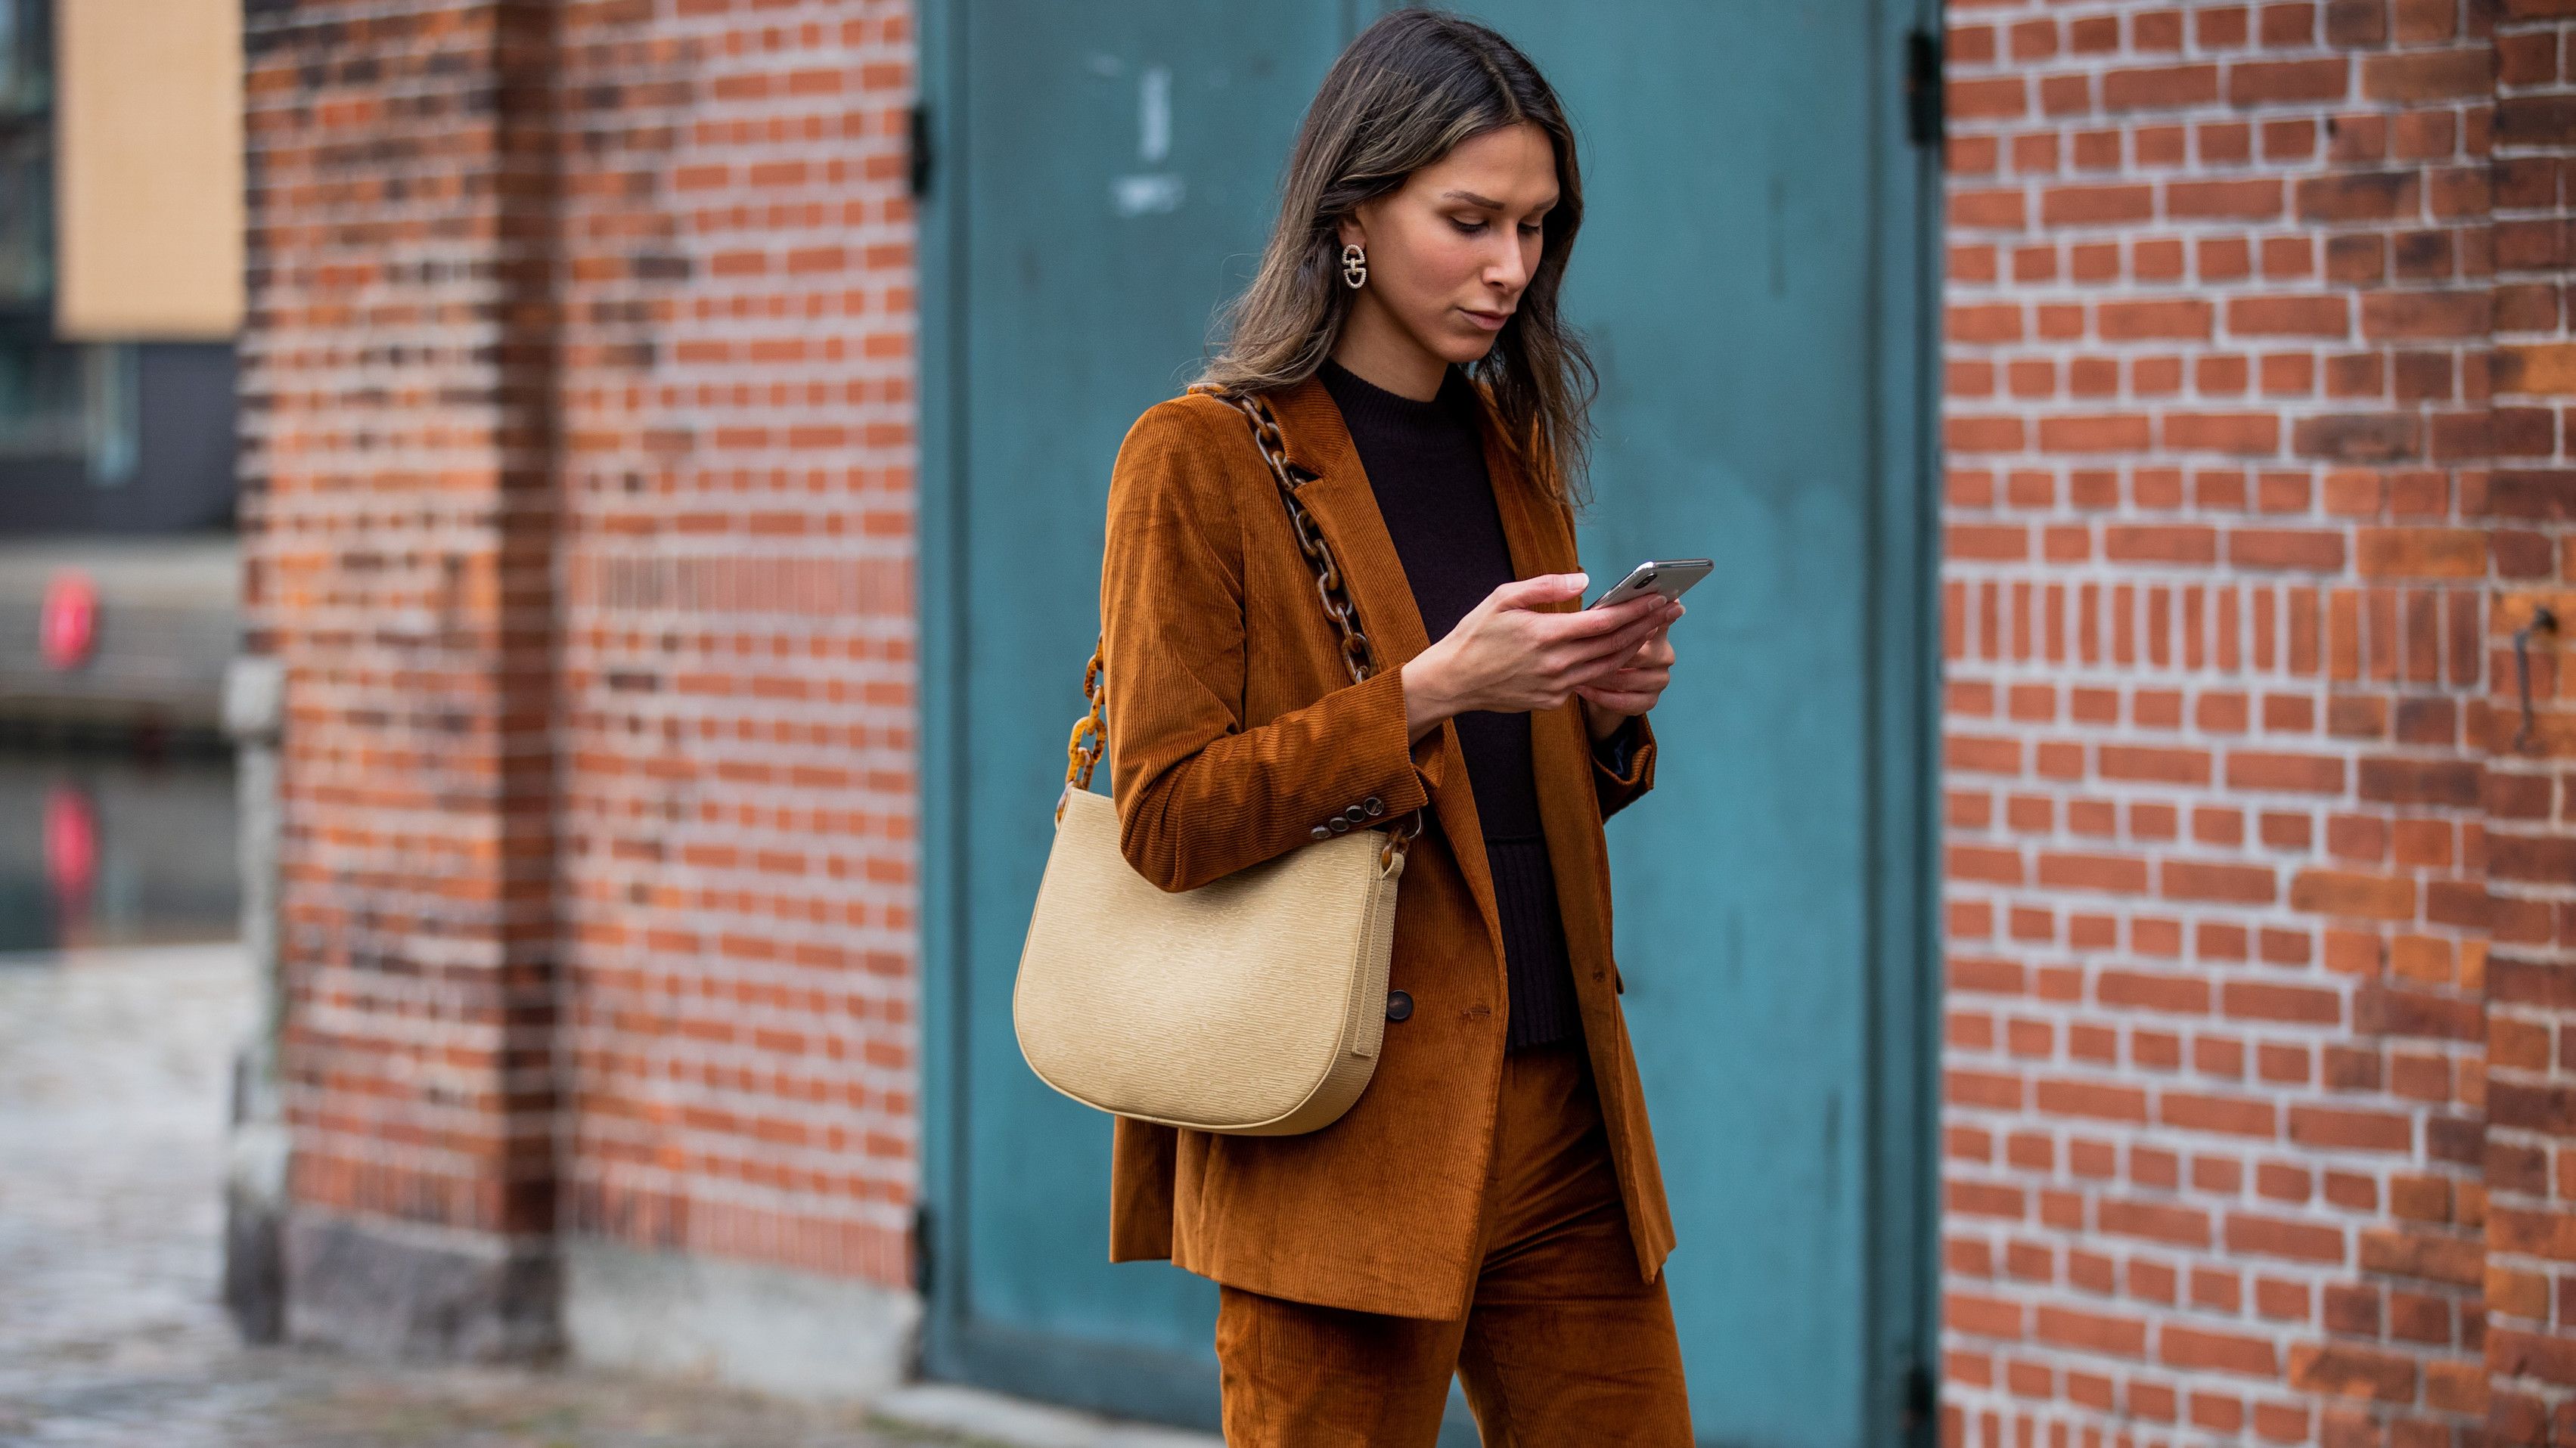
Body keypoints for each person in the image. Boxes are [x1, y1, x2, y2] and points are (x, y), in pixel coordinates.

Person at [1095, 11, 1691, 1443]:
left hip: (1563, 1120)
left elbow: (1484, 825)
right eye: (1468, 220)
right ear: (1353, 215)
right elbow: (1168, 817)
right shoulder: (1203, 460)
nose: (1509, 269)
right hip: (1344, 1136)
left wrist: (1600, 721)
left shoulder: (1508, 453)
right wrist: (1428, 688)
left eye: (1536, 228)